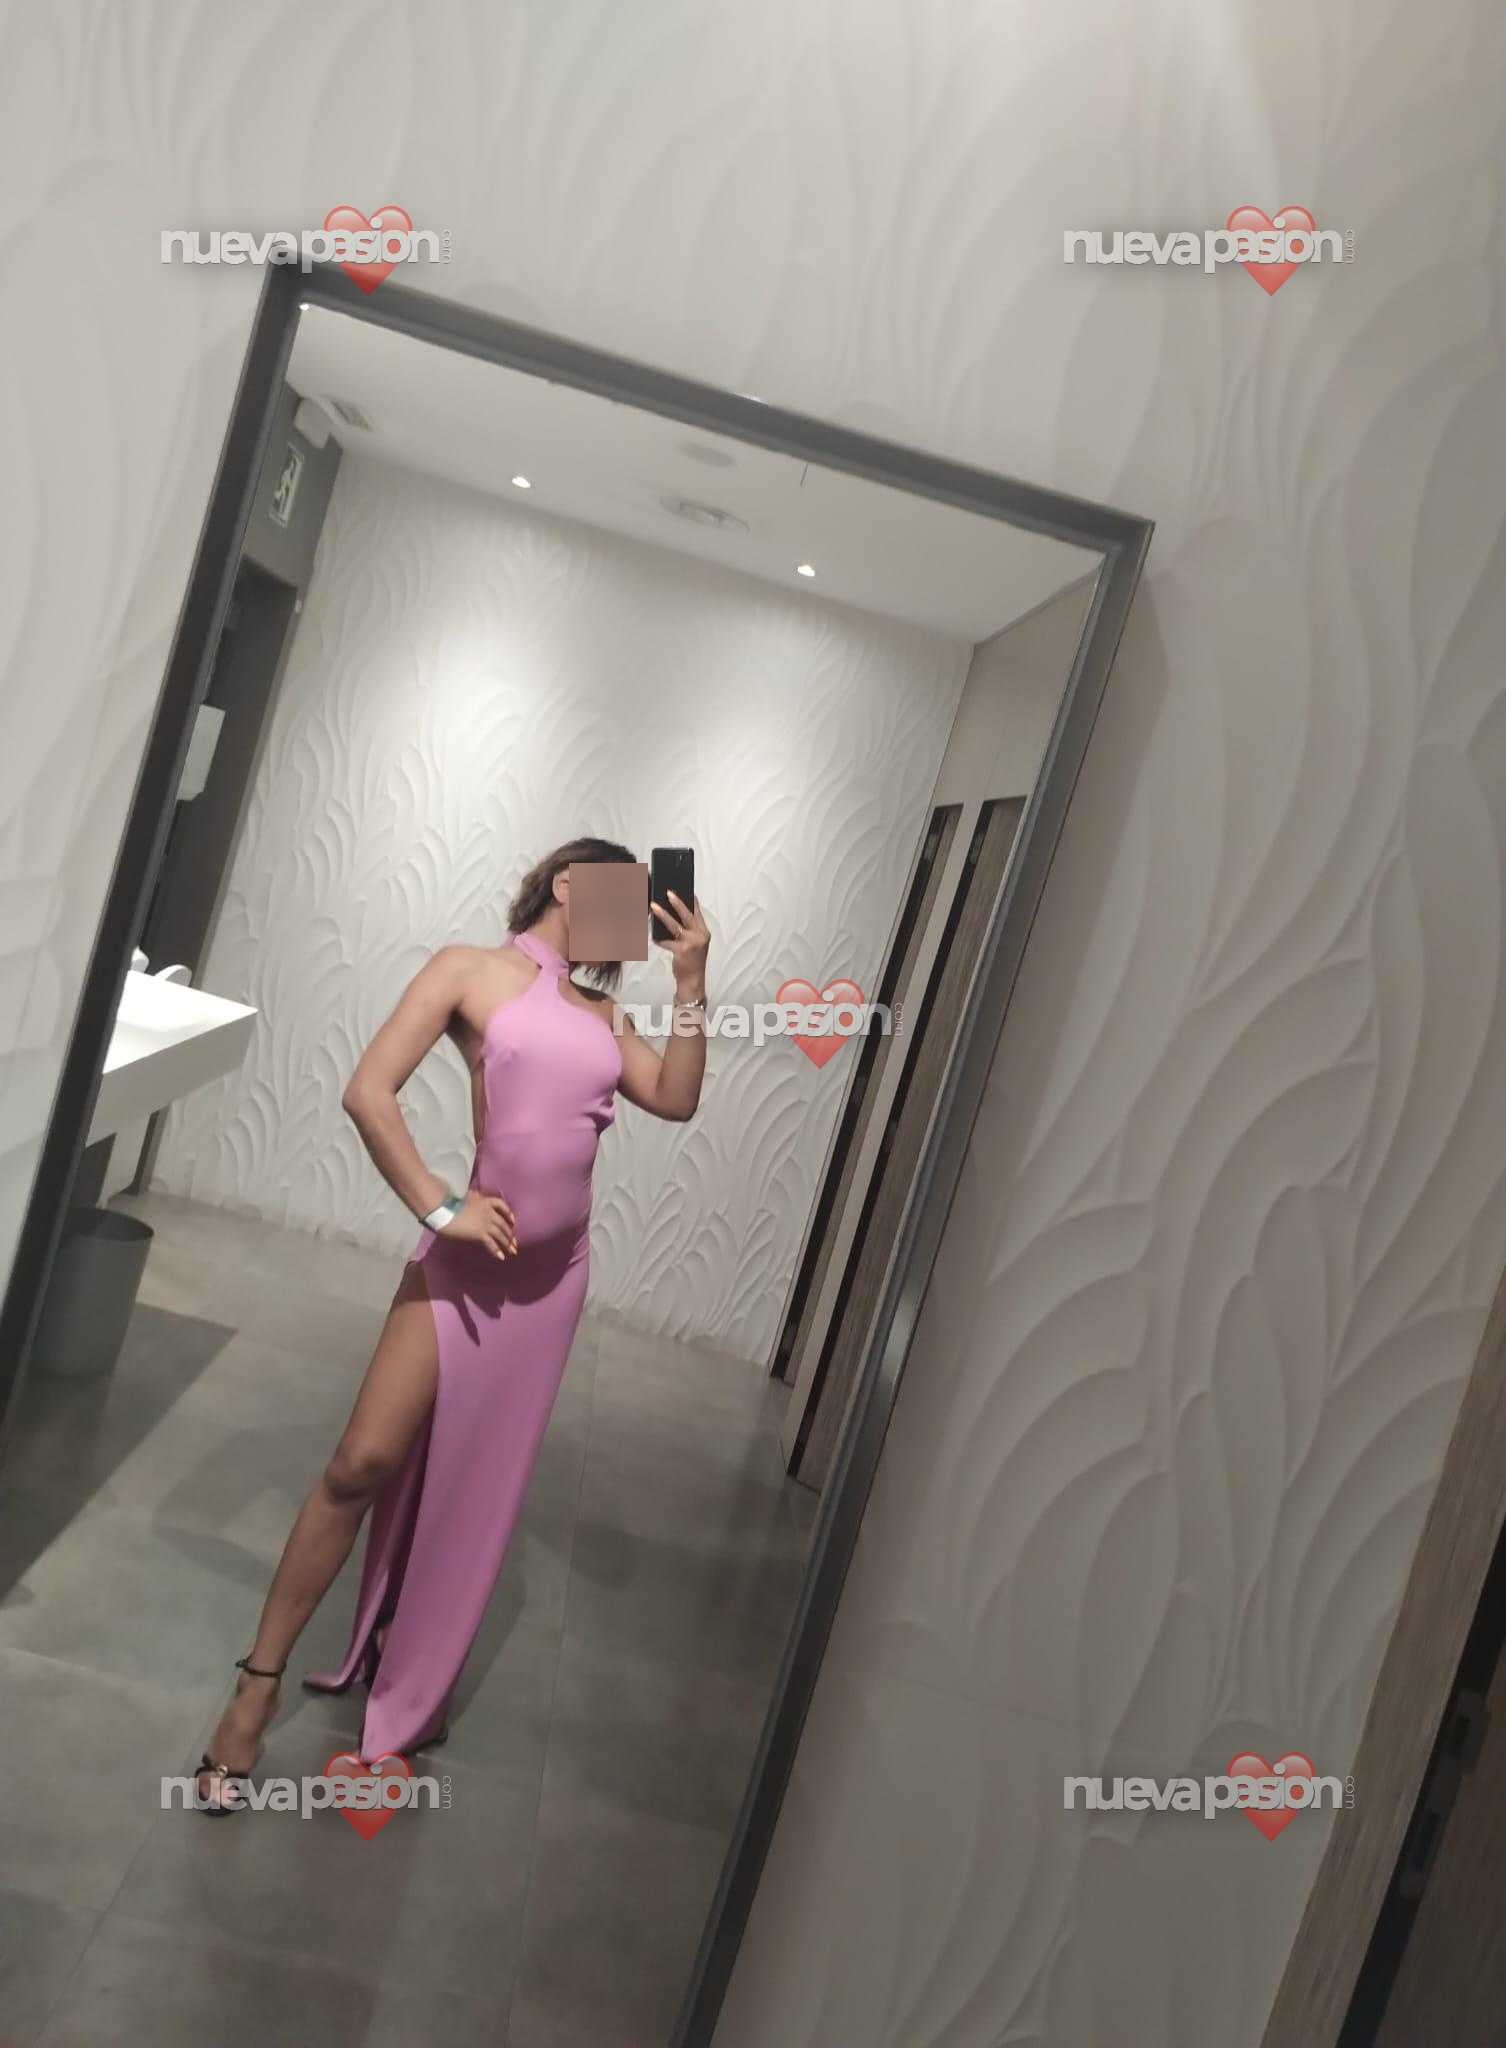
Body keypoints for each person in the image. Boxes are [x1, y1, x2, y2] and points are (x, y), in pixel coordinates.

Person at [193, 836, 710, 1812]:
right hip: (465, 1269)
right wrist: (439, 1206)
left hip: (552, 1285)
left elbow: (676, 1098)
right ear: (570, 883)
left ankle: (411, 1660)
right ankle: (256, 1684)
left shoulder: (606, 1015)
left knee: (477, 1485)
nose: (639, 921)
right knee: (361, 1461)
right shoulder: (471, 971)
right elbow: (367, 1091)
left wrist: (691, 981)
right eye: (628, 896)